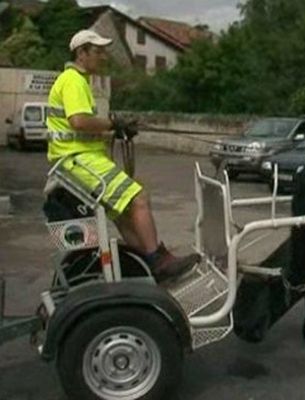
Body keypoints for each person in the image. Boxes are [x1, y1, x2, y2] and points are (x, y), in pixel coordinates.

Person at [45, 29, 199, 284]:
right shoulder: (73, 80)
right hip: (79, 159)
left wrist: (113, 128)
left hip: (76, 159)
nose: (103, 57)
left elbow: (77, 126)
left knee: (122, 212)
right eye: (98, 51)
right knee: (138, 198)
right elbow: (79, 121)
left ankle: (147, 262)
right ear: (81, 53)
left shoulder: (75, 80)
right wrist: (112, 124)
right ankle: (159, 260)